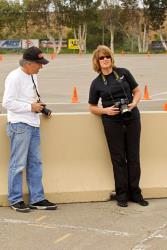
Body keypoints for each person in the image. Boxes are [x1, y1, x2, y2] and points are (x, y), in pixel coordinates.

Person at [88, 45, 149, 207]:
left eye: (107, 56)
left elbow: (137, 91)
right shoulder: (96, 83)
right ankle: (122, 194)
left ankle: (136, 193)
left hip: (131, 117)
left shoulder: (123, 73)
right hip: (111, 121)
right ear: (97, 61)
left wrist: (133, 104)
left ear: (111, 58)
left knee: (134, 157)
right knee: (118, 159)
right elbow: (92, 107)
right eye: (101, 58)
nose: (105, 60)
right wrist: (106, 111)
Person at [2, 46, 57, 212]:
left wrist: (39, 107)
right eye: (39, 63)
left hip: (33, 124)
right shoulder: (14, 77)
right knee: (17, 164)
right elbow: (7, 103)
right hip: (19, 125)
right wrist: (30, 107)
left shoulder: (32, 76)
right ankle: (15, 199)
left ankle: (37, 198)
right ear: (28, 63)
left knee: (35, 163)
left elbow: (30, 99)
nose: (41, 66)